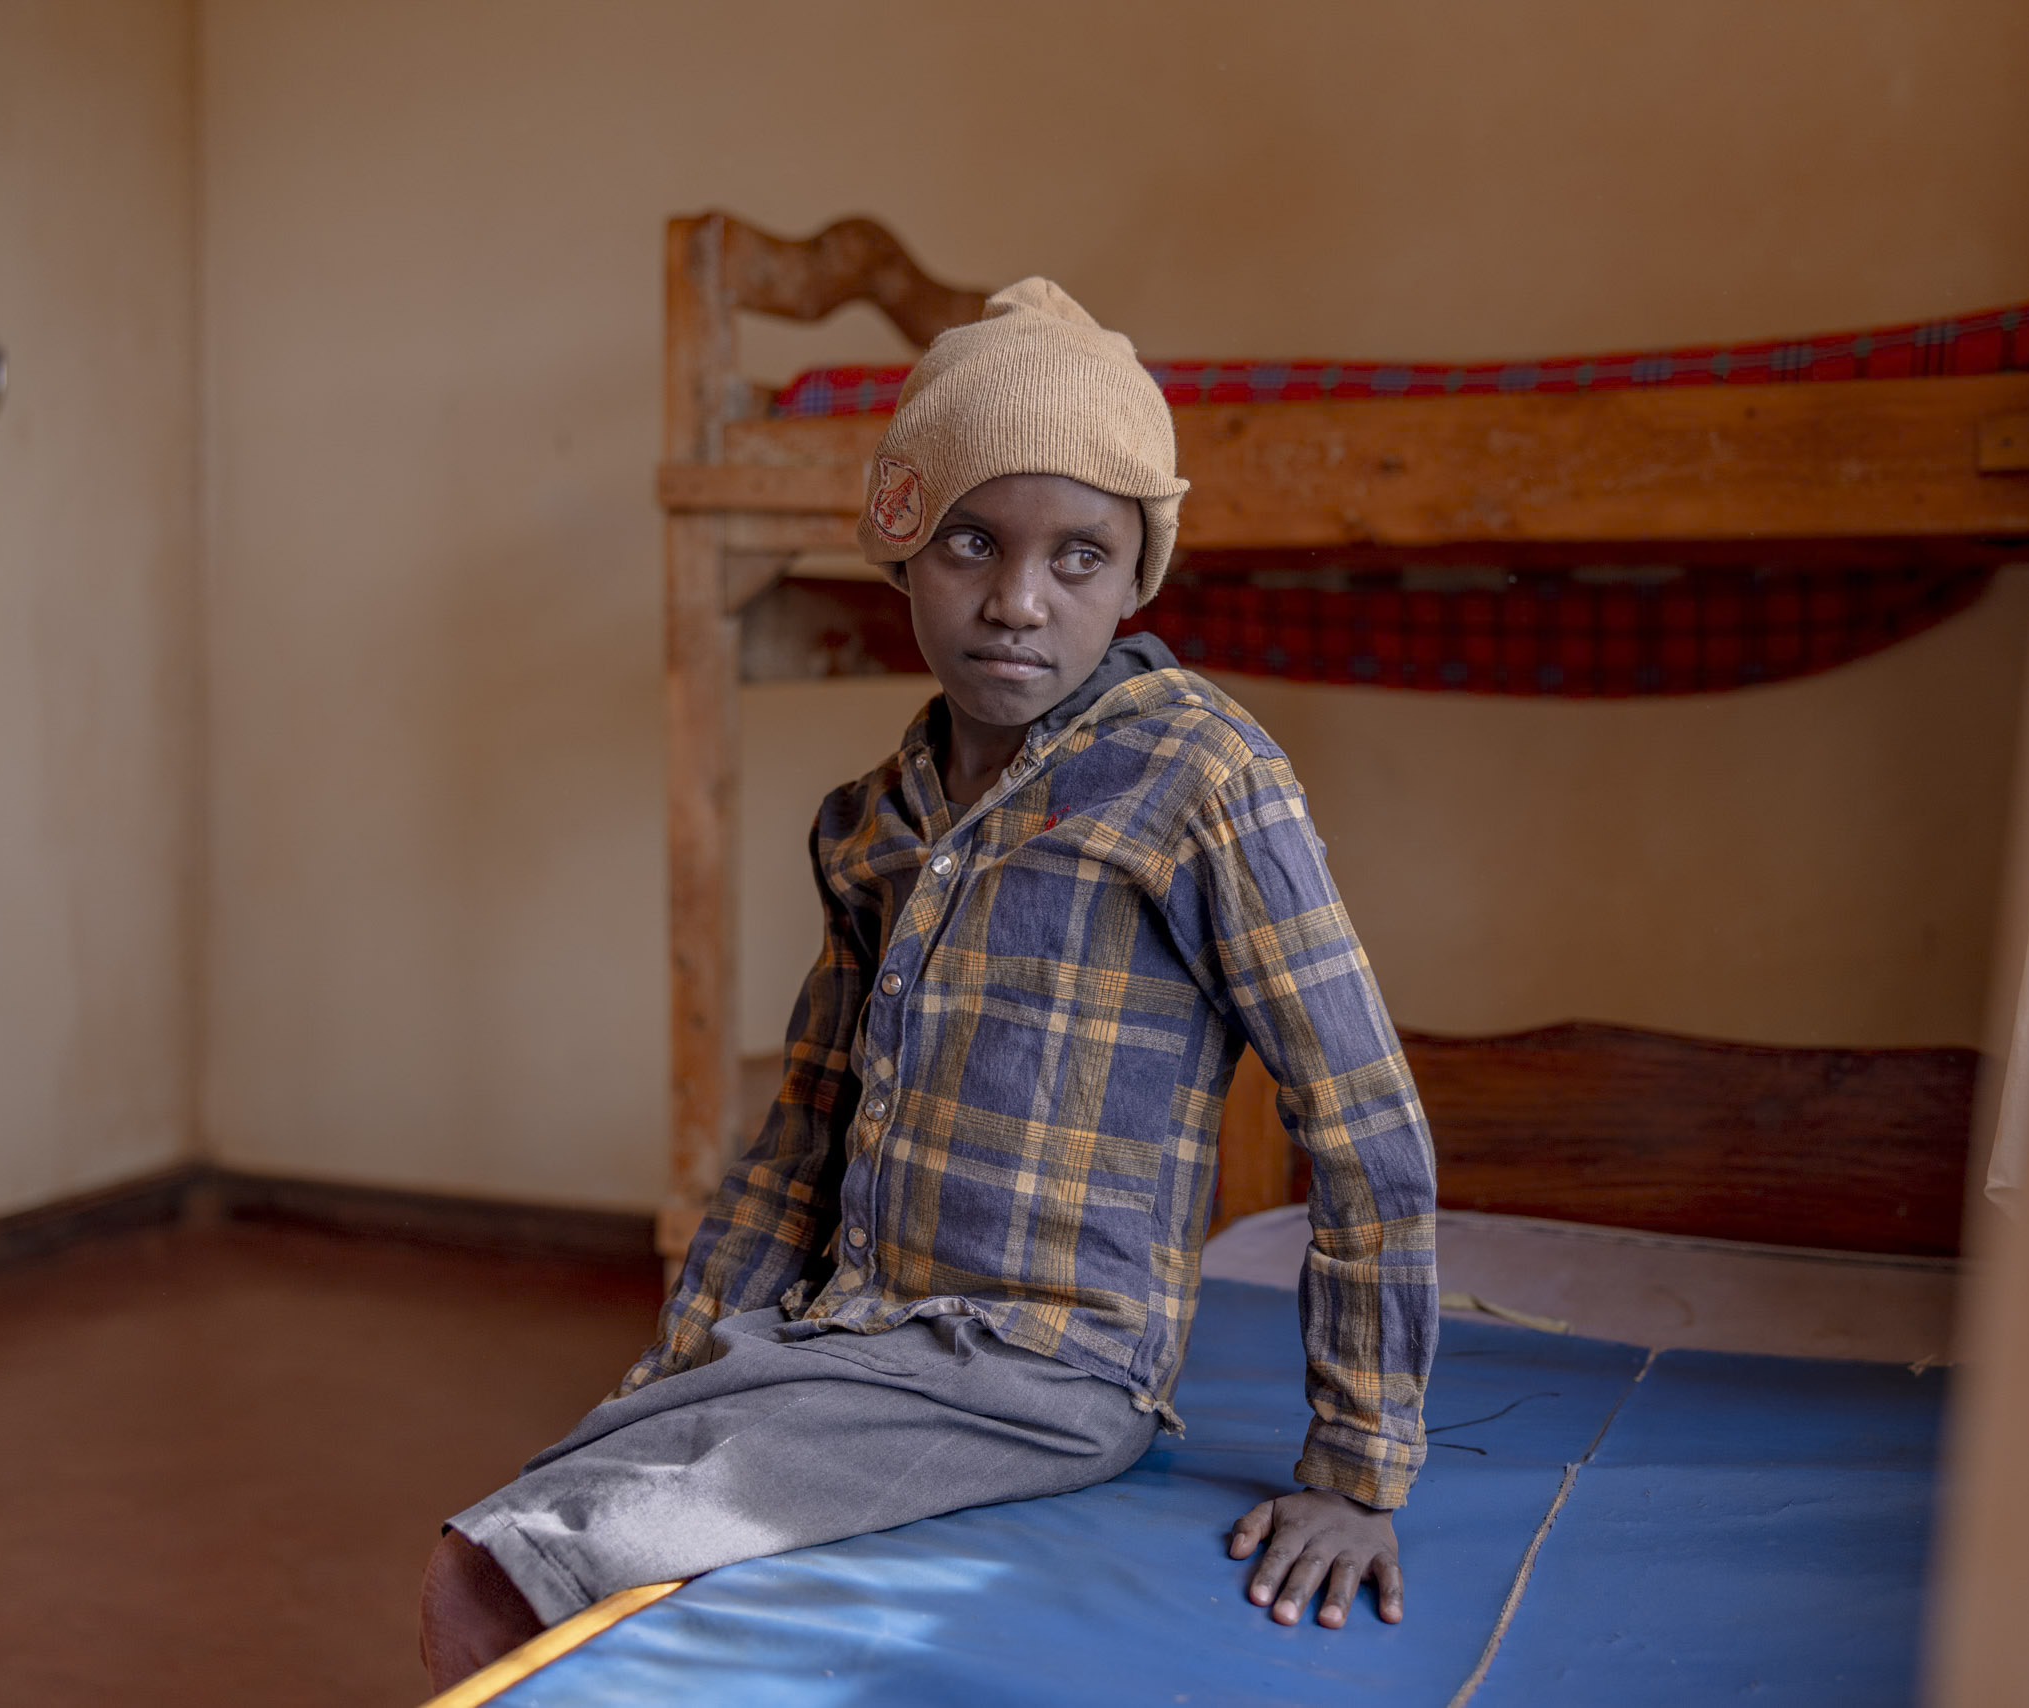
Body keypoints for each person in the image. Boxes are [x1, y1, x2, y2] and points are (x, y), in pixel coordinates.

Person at [421, 280, 1438, 1690]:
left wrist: (1359, 1467)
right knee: (555, 1486)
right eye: (972, 541)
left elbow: (1365, 1126)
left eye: (1079, 555)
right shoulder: (871, 820)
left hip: (1041, 1373)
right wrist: (680, 1365)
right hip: (853, 1336)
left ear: (1138, 575)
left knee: (514, 1561)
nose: (1018, 599)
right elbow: (802, 1138)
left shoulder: (1200, 776)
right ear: (902, 547)